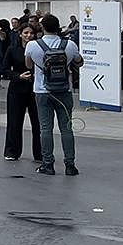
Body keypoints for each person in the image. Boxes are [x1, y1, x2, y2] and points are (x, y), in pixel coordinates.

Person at [26, 13, 84, 176]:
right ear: (58, 27)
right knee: (66, 128)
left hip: (42, 90)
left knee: (45, 128)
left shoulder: (32, 45)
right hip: (64, 91)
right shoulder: (70, 45)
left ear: (42, 27)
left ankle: (48, 164)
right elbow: (79, 62)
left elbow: (28, 65)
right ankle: (70, 165)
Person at [3, 24, 42, 162]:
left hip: (35, 89)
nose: (28, 35)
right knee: (14, 122)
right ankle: (12, 151)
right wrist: (18, 76)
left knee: (38, 123)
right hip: (17, 89)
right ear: (20, 34)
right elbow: (5, 69)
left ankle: (40, 153)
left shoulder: (39, 49)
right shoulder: (12, 49)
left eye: (31, 33)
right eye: (25, 33)